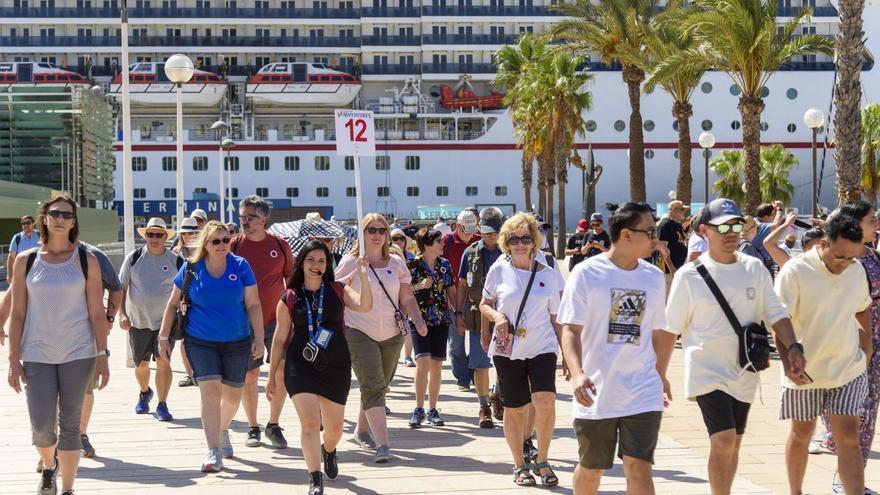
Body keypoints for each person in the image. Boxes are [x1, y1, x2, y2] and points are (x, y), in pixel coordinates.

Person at [664, 198, 805, 495]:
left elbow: (776, 313)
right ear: (704, 230)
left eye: (736, 225)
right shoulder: (688, 276)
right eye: (723, 226)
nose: (731, 232)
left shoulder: (754, 268)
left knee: (735, 442)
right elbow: (669, 330)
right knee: (725, 439)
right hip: (705, 370)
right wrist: (659, 374)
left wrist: (793, 347)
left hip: (745, 369)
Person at [558, 202, 677, 495]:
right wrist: (576, 374)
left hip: (642, 390)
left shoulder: (652, 277)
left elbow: (661, 332)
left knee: (639, 467)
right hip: (596, 391)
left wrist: (660, 375)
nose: (656, 239)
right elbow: (571, 329)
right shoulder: (587, 273)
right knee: (592, 467)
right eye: (650, 232)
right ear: (626, 235)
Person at [7, 194, 111, 495]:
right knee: (41, 428)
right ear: (45, 218)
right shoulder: (26, 262)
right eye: (55, 213)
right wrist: (13, 359)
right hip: (37, 353)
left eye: (67, 214)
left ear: (74, 221)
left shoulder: (86, 260)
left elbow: (95, 312)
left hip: (79, 353)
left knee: (70, 424)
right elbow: (18, 312)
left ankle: (67, 489)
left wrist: (102, 355)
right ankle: (49, 465)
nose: (61, 219)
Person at [775, 213, 872, 495]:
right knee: (802, 434)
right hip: (804, 370)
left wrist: (867, 348)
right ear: (823, 243)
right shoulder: (795, 271)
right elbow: (779, 318)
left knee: (849, 437)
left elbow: (862, 309)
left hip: (846, 369)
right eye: (840, 256)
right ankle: (796, 492)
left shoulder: (855, 269)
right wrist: (787, 359)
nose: (844, 264)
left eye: (851, 258)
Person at [266, 241, 373, 495]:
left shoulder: (337, 290)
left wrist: (364, 276)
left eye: (322, 261)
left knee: (334, 429)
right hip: (300, 364)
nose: (317, 265)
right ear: (301, 263)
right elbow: (280, 339)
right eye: (311, 260)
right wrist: (272, 376)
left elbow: (364, 305)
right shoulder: (290, 297)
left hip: (335, 364)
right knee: (310, 423)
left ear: (328, 266)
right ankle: (315, 477)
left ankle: (330, 450)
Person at [158, 221, 265, 472]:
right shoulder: (192, 268)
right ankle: (213, 450)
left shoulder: (240, 266)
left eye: (225, 240)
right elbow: (173, 303)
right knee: (210, 393)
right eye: (215, 241)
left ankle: (222, 428)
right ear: (205, 243)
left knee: (232, 396)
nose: (221, 245)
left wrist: (259, 338)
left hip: (237, 341)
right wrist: (164, 338)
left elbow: (253, 304)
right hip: (200, 341)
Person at [479, 212, 564, 487]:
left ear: (534, 241)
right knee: (515, 408)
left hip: (543, 345)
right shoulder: (499, 269)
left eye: (525, 238)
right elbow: (484, 304)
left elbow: (557, 318)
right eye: (513, 239)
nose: (519, 243)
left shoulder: (549, 274)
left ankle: (542, 458)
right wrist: (497, 317)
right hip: (508, 347)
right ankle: (519, 464)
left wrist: (569, 356)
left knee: (545, 400)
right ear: (506, 241)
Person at [335, 213, 428, 463]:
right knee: (373, 384)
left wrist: (418, 319)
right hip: (358, 330)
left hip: (392, 332)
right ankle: (383, 444)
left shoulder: (396, 262)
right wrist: (359, 276)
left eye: (381, 230)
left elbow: (407, 296)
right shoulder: (351, 261)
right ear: (362, 234)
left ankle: (361, 430)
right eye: (371, 230)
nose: (377, 235)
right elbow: (335, 291)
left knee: (380, 384)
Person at [811, 201, 880, 494]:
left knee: (867, 417)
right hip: (848, 344)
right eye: (870, 218)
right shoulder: (842, 259)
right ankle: (844, 481)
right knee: (853, 415)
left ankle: (853, 482)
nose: (876, 221)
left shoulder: (874, 257)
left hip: (875, 345)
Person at [231, 195, 294, 450]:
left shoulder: (280, 245)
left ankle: (273, 424)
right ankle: (252, 426)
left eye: (250, 217)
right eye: (242, 216)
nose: (244, 221)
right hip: (244, 322)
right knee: (250, 374)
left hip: (277, 320)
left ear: (264, 219)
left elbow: (290, 280)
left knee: (281, 373)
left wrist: (294, 313)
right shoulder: (234, 246)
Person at [118, 217, 182, 422]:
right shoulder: (134, 257)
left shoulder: (175, 261)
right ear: (145, 237)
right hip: (138, 322)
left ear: (166, 237)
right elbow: (122, 288)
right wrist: (122, 314)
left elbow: (184, 290)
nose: (154, 238)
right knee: (141, 365)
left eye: (159, 235)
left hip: (166, 323)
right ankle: (144, 392)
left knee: (164, 361)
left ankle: (162, 403)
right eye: (150, 234)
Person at [456, 207, 505, 428]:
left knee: (505, 363)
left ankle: (499, 396)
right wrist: (458, 312)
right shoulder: (470, 252)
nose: (490, 236)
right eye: (486, 231)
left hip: (506, 316)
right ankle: (484, 406)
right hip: (477, 315)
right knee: (480, 363)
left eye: (494, 232)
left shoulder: (511, 251)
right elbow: (463, 285)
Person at [407, 228, 458, 428]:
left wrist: (459, 314)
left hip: (441, 320)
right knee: (423, 363)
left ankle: (433, 409)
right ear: (426, 245)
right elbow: (400, 292)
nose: (442, 243)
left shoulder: (444, 265)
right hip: (419, 320)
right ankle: (418, 408)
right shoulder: (412, 265)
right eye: (438, 241)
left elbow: (451, 290)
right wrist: (419, 286)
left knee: (436, 365)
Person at [444, 208, 481, 391]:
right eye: (466, 231)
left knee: (476, 339)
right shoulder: (447, 242)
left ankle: (474, 374)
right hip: (452, 298)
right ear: (458, 226)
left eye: (472, 231)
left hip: (475, 299)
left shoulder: (479, 240)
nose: (469, 236)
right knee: (456, 342)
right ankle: (462, 378)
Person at [172, 216, 201, 387]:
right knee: (183, 337)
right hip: (182, 298)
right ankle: (190, 374)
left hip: (200, 298)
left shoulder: (203, 251)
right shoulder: (176, 253)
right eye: (185, 233)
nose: (188, 235)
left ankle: (200, 372)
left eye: (192, 232)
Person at [657, 201, 689, 285]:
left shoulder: (677, 225)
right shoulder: (665, 225)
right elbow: (663, 249)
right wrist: (671, 267)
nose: (684, 212)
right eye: (682, 210)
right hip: (670, 271)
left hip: (680, 268)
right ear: (674, 210)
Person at [6, 214, 40, 284]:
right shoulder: (17, 238)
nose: (26, 225)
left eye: (28, 223)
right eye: (23, 223)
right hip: (22, 272)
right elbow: (11, 257)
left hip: (38, 271)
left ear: (33, 224)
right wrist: (10, 274)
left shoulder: (40, 235)